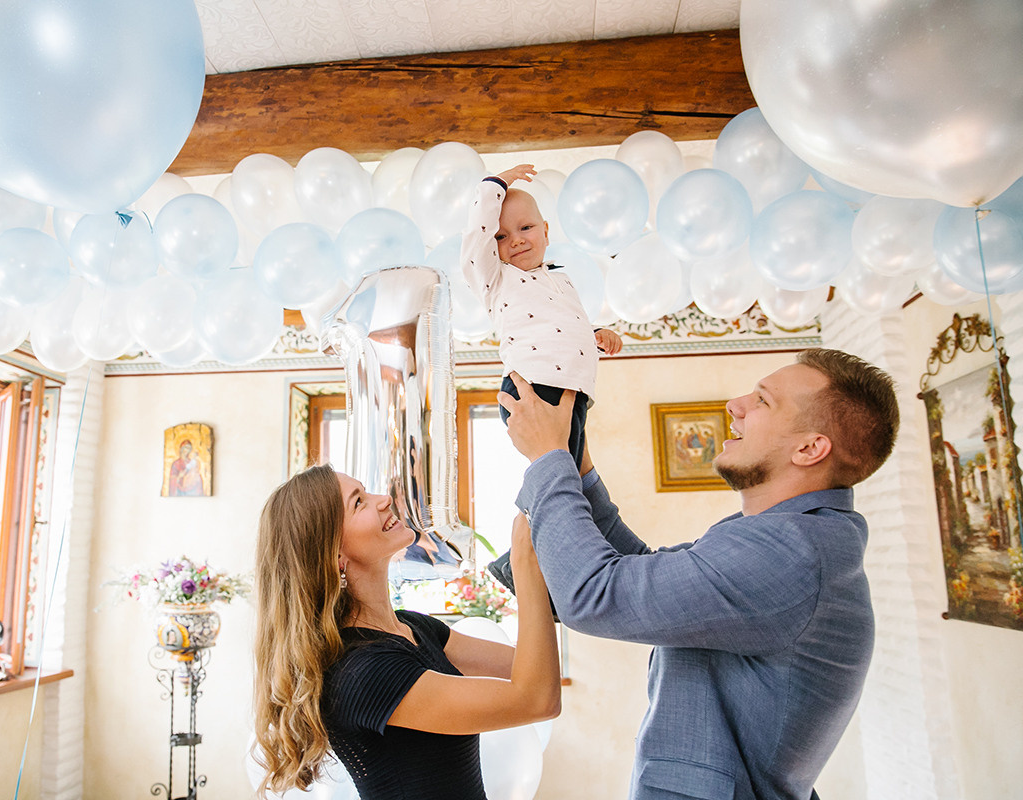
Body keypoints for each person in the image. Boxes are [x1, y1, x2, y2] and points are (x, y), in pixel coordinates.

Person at [498, 348, 900, 800]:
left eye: (763, 401)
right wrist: (575, 463)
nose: (735, 406)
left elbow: (595, 594)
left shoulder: (792, 551)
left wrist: (548, 457)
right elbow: (641, 573)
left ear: (809, 449)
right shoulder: (787, 535)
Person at [252, 464, 561, 800]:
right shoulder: (362, 670)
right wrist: (525, 566)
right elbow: (538, 699)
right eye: (359, 502)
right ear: (336, 555)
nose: (384, 499)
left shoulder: (413, 627)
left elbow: (537, 673)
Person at [460, 163, 622, 590]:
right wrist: (496, 185)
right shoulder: (497, 280)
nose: (515, 240)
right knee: (559, 484)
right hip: (534, 391)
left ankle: (533, 562)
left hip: (571, 393)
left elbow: (563, 326)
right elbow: (474, 240)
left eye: (526, 228)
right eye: (501, 236)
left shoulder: (560, 280)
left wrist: (595, 333)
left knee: (571, 487)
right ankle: (523, 565)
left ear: (546, 231)